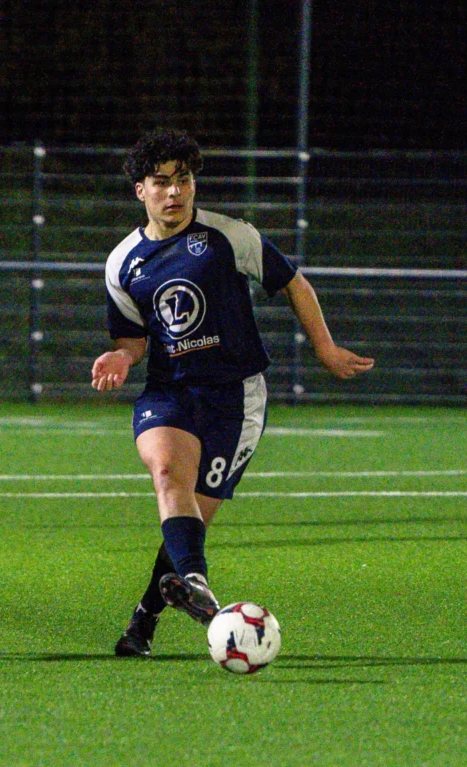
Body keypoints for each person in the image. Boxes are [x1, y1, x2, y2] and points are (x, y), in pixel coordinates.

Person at [92, 127, 373, 657]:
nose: (175, 192)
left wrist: (325, 348)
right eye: (161, 182)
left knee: (190, 521)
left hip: (236, 399)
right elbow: (133, 339)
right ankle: (197, 583)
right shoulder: (122, 262)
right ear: (140, 190)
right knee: (168, 474)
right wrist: (121, 357)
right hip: (169, 393)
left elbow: (294, 283)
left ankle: (144, 619)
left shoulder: (230, 236)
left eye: (183, 180)